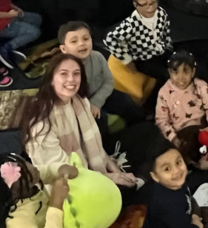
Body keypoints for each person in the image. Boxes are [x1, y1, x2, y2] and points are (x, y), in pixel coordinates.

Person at [21, 50, 139, 189]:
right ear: (51, 80)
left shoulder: (79, 100)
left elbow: (98, 148)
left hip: (89, 166)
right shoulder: (41, 123)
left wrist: (113, 168)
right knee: (128, 188)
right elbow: (63, 173)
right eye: (64, 74)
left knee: (148, 131)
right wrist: (110, 177)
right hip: (69, 187)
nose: (71, 79)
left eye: (76, 73)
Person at [58, 20, 146, 141]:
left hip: (100, 95)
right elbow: (68, 101)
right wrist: (90, 105)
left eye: (86, 39)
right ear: (64, 49)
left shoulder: (97, 57)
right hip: (79, 105)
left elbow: (108, 81)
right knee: (99, 120)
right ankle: (106, 150)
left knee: (127, 103)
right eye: (74, 41)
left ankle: (142, 132)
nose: (82, 44)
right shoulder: (63, 72)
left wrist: (96, 101)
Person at [155, 50, 208, 169]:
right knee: (172, 155)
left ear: (193, 71)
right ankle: (189, 161)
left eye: (186, 71)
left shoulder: (201, 86)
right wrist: (174, 138)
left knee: (207, 163)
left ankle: (206, 156)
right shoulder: (164, 93)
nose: (180, 77)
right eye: (175, 72)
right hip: (180, 134)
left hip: (201, 129)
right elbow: (161, 120)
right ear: (169, 72)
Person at [104, 0, 172, 83]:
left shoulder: (161, 13)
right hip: (144, 59)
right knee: (167, 76)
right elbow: (110, 40)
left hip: (160, 50)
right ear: (136, 4)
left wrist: (168, 46)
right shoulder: (131, 24)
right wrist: (127, 60)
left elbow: (166, 31)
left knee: (181, 63)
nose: (151, 7)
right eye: (144, 4)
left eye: (153, 2)